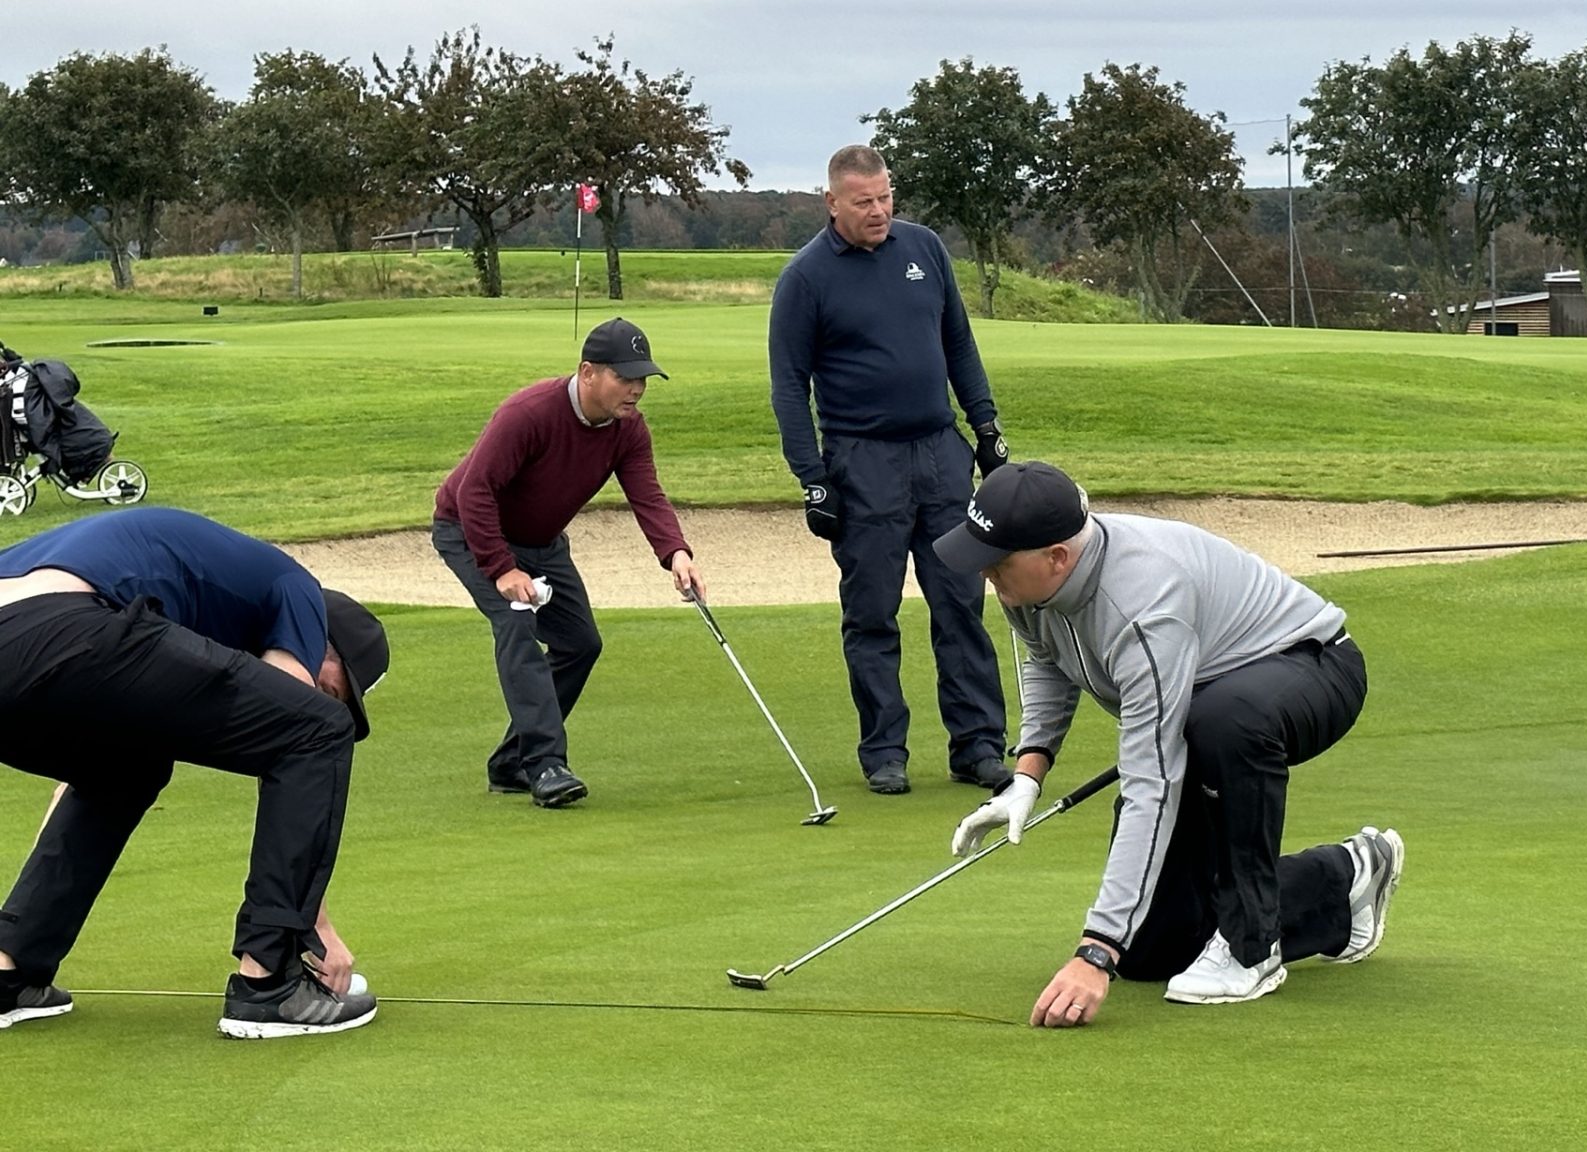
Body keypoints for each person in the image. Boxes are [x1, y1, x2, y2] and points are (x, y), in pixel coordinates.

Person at [934, 461, 1406, 1028]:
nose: (986, 574)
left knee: (1222, 721)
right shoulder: (1027, 585)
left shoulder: (1144, 605)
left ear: (1057, 556)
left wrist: (1094, 952)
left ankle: (1250, 947)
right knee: (1154, 947)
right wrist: (1027, 776)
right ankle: (1345, 878)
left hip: (1311, 668)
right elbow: (1048, 660)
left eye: (997, 562)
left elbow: (1151, 785)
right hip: (1206, 696)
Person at [0, 507, 390, 1039]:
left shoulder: (182, 614)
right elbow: (293, 729)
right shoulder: (298, 590)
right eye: (339, 687)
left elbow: (80, 770)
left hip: (33, 638)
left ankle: (10, 969)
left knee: (126, 764)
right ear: (327, 643)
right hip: (65, 625)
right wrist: (315, 929)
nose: (334, 697)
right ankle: (268, 987)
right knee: (315, 730)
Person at [768, 144, 1013, 797]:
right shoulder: (806, 278)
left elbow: (958, 342)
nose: (879, 212)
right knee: (872, 613)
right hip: (861, 459)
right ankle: (884, 750)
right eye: (863, 202)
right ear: (832, 202)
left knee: (961, 604)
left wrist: (985, 427)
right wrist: (813, 478)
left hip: (939, 452)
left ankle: (978, 744)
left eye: (885, 198)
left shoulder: (924, 249)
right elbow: (790, 388)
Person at [433, 317, 706, 808]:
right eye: (625, 378)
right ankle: (544, 764)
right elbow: (476, 491)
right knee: (515, 625)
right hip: (471, 531)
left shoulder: (628, 429)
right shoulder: (529, 413)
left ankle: (510, 762)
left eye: (642, 379)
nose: (637, 390)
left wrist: (676, 553)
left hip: (542, 543)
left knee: (580, 643)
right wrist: (501, 569)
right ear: (587, 372)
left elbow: (646, 492)